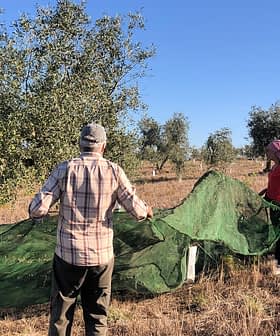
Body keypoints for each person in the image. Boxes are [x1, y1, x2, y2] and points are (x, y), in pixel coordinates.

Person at [28, 122, 153, 336]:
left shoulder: (64, 168)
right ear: (103, 147)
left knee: (60, 317)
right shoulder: (114, 171)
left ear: (80, 144)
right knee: (97, 316)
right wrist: (147, 210)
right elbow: (138, 212)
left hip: (68, 256)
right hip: (101, 258)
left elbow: (37, 209)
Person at [259, 140, 280, 275]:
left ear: (276, 152)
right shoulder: (274, 167)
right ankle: (274, 256)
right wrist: (265, 191)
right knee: (273, 231)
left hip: (279, 205)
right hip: (270, 202)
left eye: (269, 150)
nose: (267, 153)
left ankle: (279, 265)